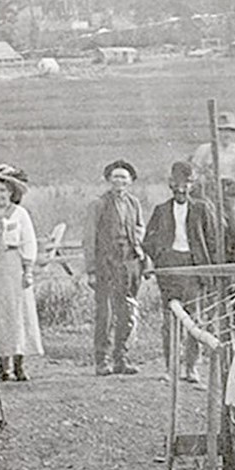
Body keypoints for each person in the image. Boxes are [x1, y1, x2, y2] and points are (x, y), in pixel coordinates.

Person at [144, 161, 219, 384]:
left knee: (194, 319)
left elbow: (213, 241)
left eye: (186, 184)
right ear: (169, 184)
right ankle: (171, 368)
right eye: (176, 184)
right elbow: (148, 239)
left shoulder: (203, 209)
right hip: (169, 268)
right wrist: (161, 256)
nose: (181, 189)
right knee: (170, 321)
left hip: (194, 268)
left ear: (192, 185)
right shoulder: (161, 210)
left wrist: (210, 271)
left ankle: (192, 367)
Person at [0, 166, 45, 381]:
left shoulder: (20, 214)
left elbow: (28, 241)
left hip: (14, 264)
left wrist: (28, 270)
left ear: (11, 193)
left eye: (3, 191)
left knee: (18, 312)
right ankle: (3, 365)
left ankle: (19, 364)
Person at [84, 159, 148, 375]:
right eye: (115, 176)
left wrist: (140, 255)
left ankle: (121, 358)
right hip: (106, 264)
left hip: (129, 263)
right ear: (109, 179)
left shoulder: (133, 203)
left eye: (123, 176)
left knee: (126, 312)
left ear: (130, 180)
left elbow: (140, 229)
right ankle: (102, 361)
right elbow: (89, 237)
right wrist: (91, 270)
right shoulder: (99, 204)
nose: (119, 180)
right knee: (106, 314)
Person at [189, 111, 235, 260]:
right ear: (216, 131)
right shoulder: (205, 149)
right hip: (207, 192)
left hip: (229, 195)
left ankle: (232, 259)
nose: (226, 134)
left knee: (232, 229)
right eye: (223, 130)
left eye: (230, 131)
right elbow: (195, 173)